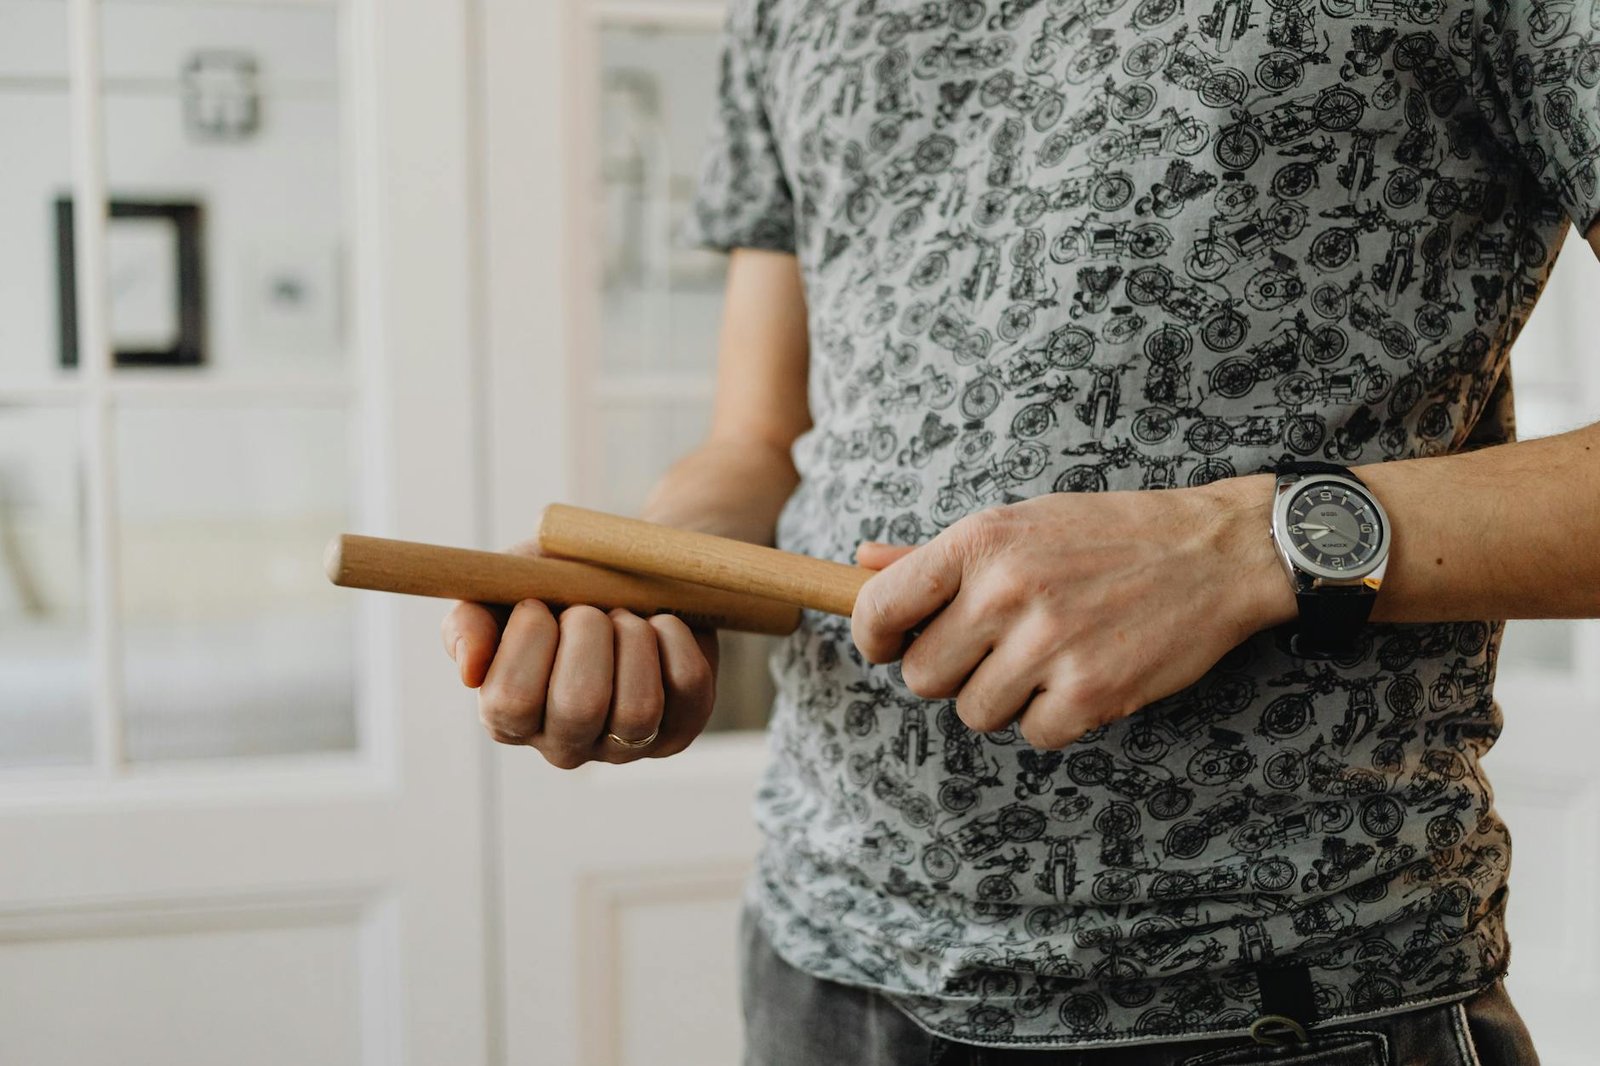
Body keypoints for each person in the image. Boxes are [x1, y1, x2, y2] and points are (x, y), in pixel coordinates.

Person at [442, 0, 1600, 1061]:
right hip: (821, 964)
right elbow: (754, 441)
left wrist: (1240, 543)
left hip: (1281, 995)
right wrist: (645, 575)